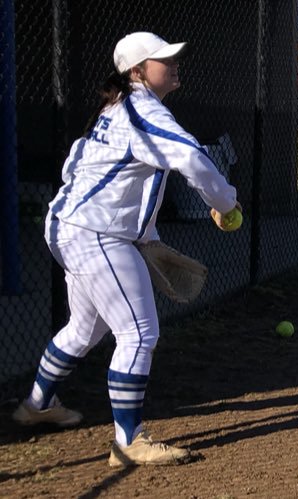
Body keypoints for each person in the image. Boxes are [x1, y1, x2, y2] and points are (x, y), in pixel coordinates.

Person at [15, 32, 240, 466]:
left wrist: (146, 236)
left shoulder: (118, 107)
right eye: (161, 59)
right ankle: (129, 440)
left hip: (73, 226)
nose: (174, 63)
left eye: (173, 56)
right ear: (136, 72)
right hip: (94, 233)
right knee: (139, 334)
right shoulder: (143, 108)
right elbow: (192, 159)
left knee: (85, 330)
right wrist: (226, 202)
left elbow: (121, 179)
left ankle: (37, 404)